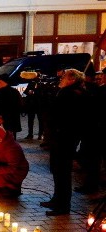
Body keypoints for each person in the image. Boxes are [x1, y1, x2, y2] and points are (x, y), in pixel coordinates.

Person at [41, 68, 89, 216]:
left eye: (64, 78)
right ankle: (57, 199)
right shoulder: (66, 92)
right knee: (57, 170)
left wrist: (58, 130)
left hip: (65, 138)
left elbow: (67, 117)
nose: (61, 80)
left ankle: (63, 205)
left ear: (72, 80)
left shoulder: (73, 94)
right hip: (60, 137)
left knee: (63, 172)